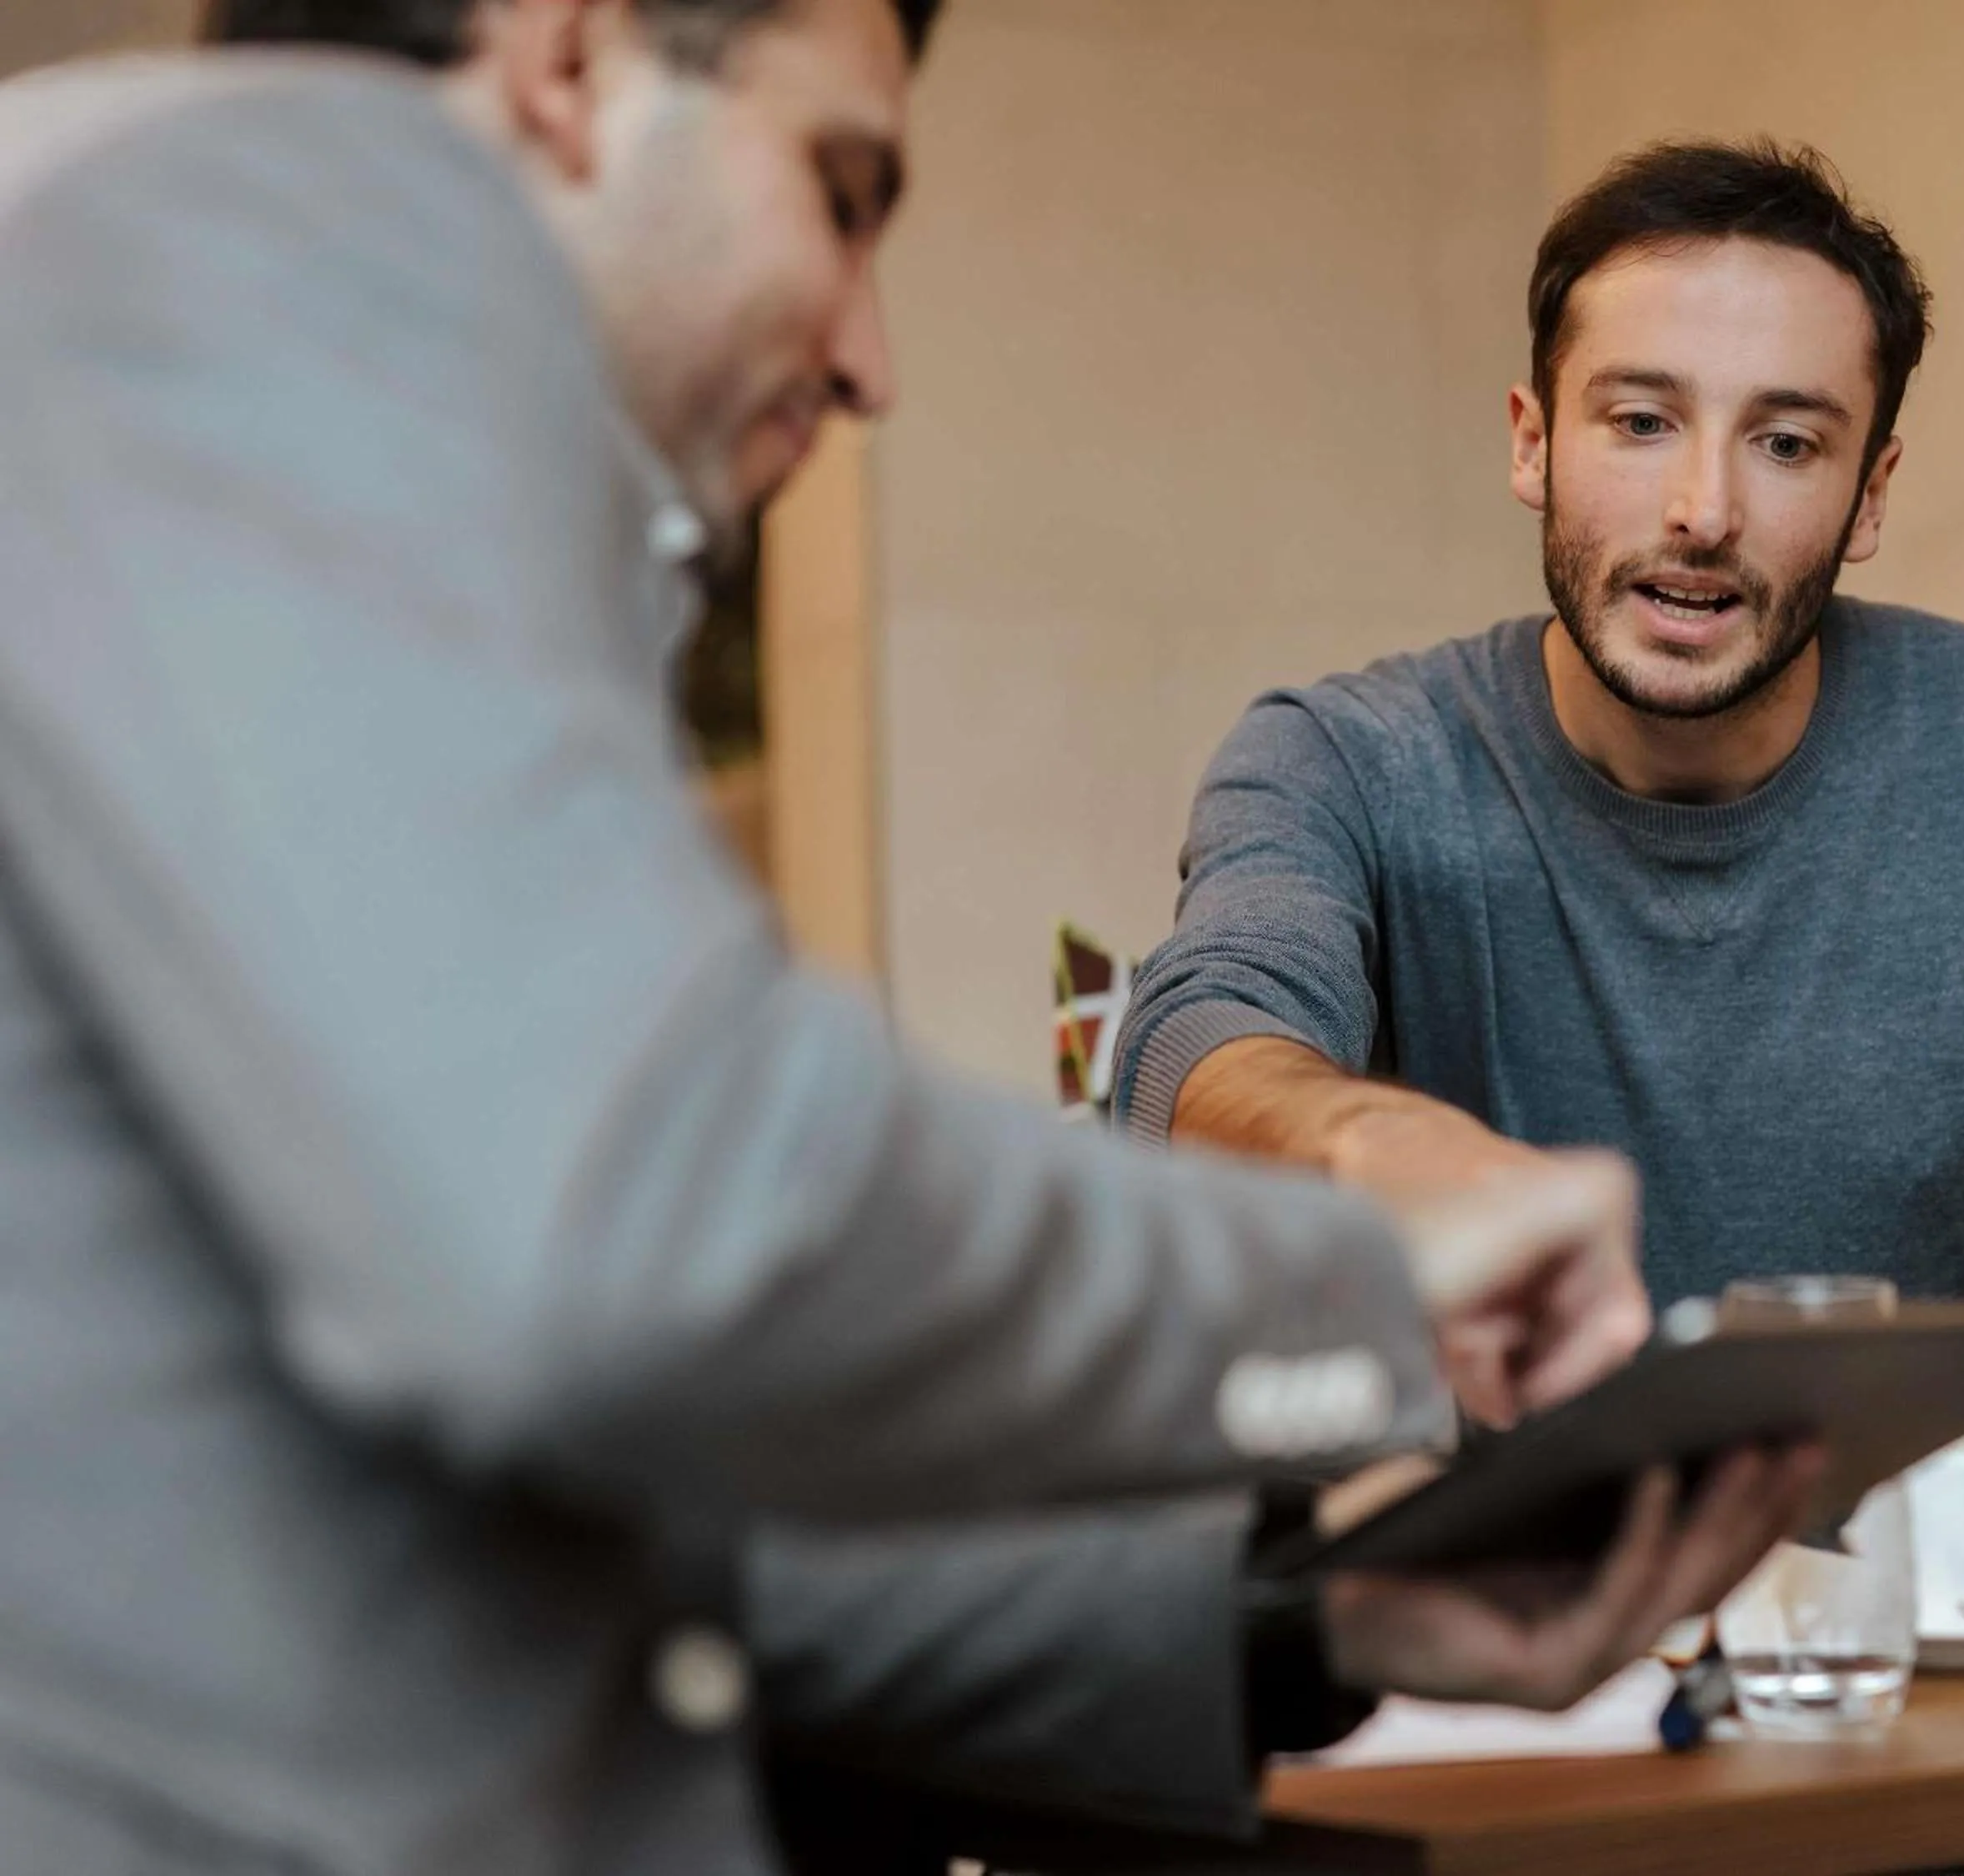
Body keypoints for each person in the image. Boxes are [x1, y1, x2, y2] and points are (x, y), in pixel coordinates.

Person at [0, 8, 1822, 1869]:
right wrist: (1369, 1293)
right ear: (567, 61)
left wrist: (1312, 1619)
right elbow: (627, 1230)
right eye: (841, 190)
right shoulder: (228, 235)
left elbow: (648, 1515)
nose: (872, 358)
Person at [1115, 138, 1964, 1875]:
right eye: (1640, 420)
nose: (1703, 512)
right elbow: (1194, 1049)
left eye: (1787, 441)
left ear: (1870, 492)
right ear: (1533, 440)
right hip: (1525, 1605)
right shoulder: (1346, 762)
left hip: (1954, 1606)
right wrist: (1380, 1140)